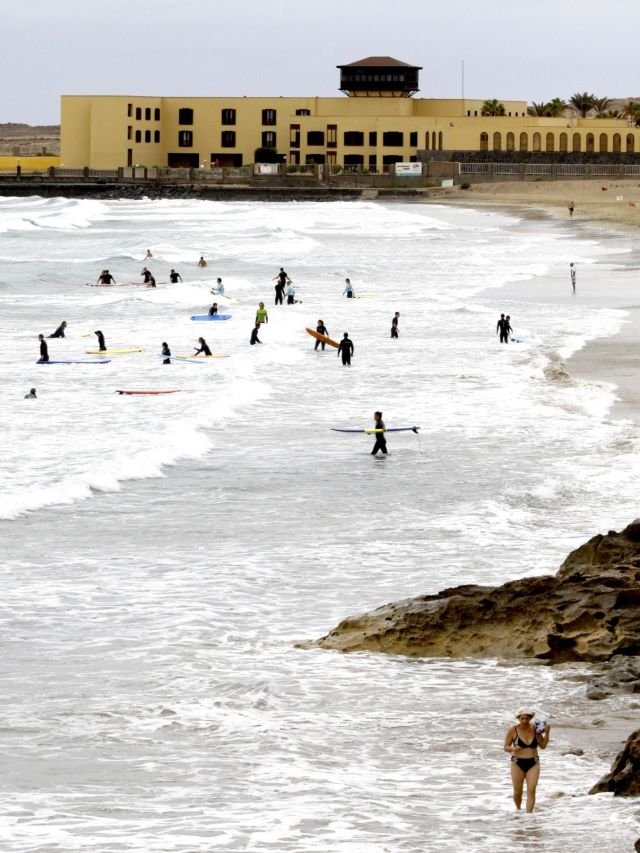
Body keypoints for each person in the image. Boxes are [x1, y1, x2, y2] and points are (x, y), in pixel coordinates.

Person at [504, 708, 550, 813]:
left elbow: (542, 746)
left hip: (533, 763)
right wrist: (513, 749)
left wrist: (547, 734)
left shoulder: (536, 729)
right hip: (517, 763)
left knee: (532, 790)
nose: (524, 721)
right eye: (522, 718)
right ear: (518, 718)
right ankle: (518, 811)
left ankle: (529, 817)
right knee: (517, 792)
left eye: (527, 718)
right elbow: (506, 747)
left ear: (531, 718)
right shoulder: (513, 730)